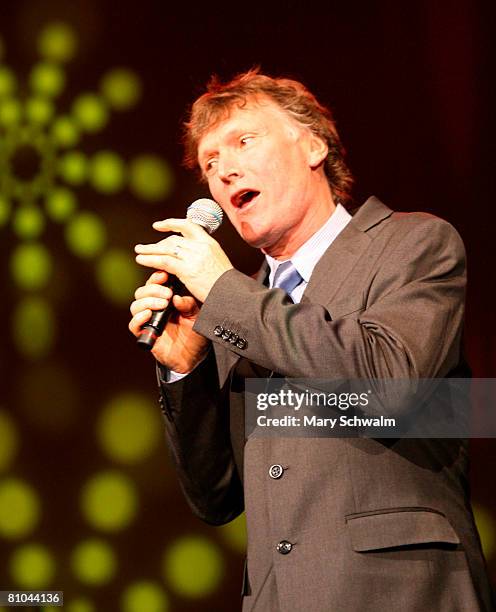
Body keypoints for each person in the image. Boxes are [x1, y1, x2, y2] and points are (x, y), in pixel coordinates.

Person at [129, 69, 494, 611]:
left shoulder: (413, 243)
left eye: (243, 141)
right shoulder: (240, 304)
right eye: (209, 162)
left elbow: (392, 385)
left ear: (315, 145)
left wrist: (226, 295)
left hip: (401, 591)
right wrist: (188, 371)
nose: (224, 170)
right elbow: (217, 496)